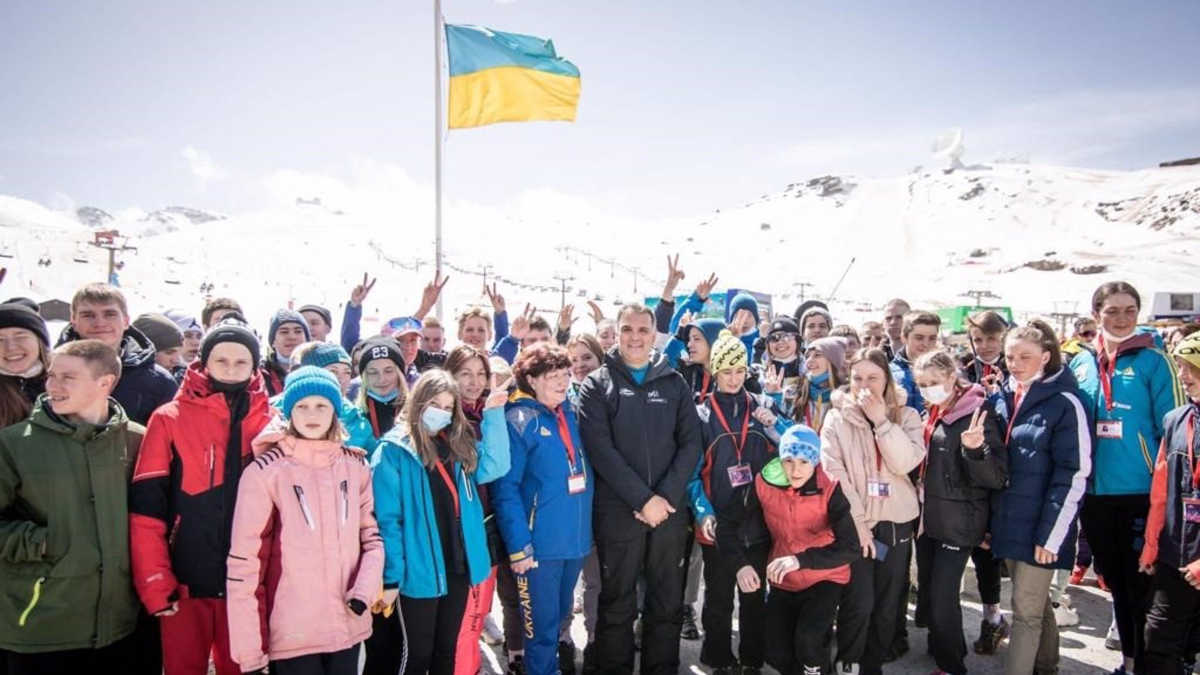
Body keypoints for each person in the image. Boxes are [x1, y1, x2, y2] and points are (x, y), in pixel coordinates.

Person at [130, 318, 275, 675]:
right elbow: (147, 510)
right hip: (185, 583)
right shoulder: (169, 418)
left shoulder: (272, 422)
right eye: (220, 360)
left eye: (240, 362)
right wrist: (154, 580)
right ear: (203, 361)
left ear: (254, 366)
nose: (230, 369)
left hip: (249, 584)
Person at [0, 340, 148, 673]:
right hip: (40, 626)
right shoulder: (13, 444)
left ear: (105, 382)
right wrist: (38, 541)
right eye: (52, 375)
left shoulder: (139, 439)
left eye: (68, 377)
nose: (53, 385)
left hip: (121, 625)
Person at [226, 367, 384, 675]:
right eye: (302, 406)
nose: (312, 414)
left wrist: (363, 592)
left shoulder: (356, 466)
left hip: (347, 623)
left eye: (322, 406)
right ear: (289, 411)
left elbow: (372, 539)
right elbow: (244, 562)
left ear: (335, 412)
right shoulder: (265, 472)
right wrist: (249, 651)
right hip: (293, 632)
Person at [578, 304, 704, 675]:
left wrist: (662, 498)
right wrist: (642, 499)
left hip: (668, 511)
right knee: (617, 603)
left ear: (654, 334)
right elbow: (601, 451)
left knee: (666, 603)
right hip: (619, 513)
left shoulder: (674, 382)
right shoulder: (597, 384)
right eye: (627, 329)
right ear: (616, 333)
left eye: (643, 330)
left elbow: (691, 444)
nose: (635, 337)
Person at [1071, 282, 1183, 675]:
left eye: (1129, 310)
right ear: (1096, 312)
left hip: (1142, 492)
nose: (1121, 318)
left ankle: (1155, 665)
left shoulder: (1154, 360)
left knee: (1144, 590)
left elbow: (1176, 429)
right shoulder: (1081, 362)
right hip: (1096, 494)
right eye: (1112, 310)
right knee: (1116, 583)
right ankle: (1130, 662)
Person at [372, 369, 511, 675]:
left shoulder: (458, 446)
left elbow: (497, 465)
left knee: (446, 652)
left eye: (449, 407)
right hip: (417, 572)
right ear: (418, 401)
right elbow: (387, 521)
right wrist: (391, 576)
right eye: (435, 403)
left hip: (457, 565)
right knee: (416, 656)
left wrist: (495, 413)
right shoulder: (393, 451)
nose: (442, 412)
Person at [990, 320, 1091, 675]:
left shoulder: (1065, 403)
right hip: (1010, 523)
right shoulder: (1004, 397)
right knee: (1034, 604)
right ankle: (1047, 666)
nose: (1015, 363)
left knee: (1026, 612)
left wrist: (1052, 535)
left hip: (1041, 528)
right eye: (1010, 356)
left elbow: (1074, 473)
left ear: (1046, 357)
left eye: (1025, 356)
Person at [719, 424, 861, 675]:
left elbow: (851, 547)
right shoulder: (764, 482)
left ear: (815, 462)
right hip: (785, 580)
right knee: (774, 651)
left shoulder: (829, 488)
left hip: (826, 577)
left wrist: (800, 560)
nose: (795, 470)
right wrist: (740, 565)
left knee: (808, 641)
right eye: (789, 460)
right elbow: (727, 525)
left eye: (805, 462)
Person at [820, 348, 925, 675]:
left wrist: (881, 421)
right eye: (857, 378)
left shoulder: (907, 416)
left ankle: (872, 666)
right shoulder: (836, 417)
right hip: (856, 525)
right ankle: (848, 666)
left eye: (873, 378)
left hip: (895, 524)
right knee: (857, 603)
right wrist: (858, 524)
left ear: (887, 380)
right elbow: (833, 473)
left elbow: (905, 462)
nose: (864, 385)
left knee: (886, 606)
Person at [493, 343, 593, 675]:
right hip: (539, 549)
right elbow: (505, 489)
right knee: (540, 634)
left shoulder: (568, 411)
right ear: (532, 379)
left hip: (574, 542)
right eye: (553, 376)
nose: (563, 382)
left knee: (561, 621)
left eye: (566, 374)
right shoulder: (518, 419)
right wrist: (519, 547)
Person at [688, 331, 783, 675]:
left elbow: (794, 450)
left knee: (755, 594)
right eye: (727, 371)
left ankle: (751, 660)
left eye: (740, 370)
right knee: (718, 596)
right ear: (714, 370)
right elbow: (691, 473)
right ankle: (718, 658)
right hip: (719, 521)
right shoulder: (700, 415)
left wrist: (777, 424)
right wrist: (703, 512)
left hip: (758, 519)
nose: (733, 378)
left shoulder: (762, 407)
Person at [912, 350, 1008, 675]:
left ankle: (952, 666)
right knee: (935, 593)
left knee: (941, 598)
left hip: (959, 523)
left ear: (952, 378)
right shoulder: (937, 411)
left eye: (935, 382)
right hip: (930, 519)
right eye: (922, 384)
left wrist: (974, 450)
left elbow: (996, 476)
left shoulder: (977, 413)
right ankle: (944, 649)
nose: (928, 389)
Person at [1139, 332, 1200, 675]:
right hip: (1175, 553)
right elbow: (1161, 489)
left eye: (1192, 366)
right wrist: (1151, 546)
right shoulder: (1176, 419)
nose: (1183, 375)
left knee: (1189, 642)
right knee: (1159, 640)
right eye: (1180, 366)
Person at [61, 283, 178, 424]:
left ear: (126, 321)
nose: (99, 323)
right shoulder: (50, 374)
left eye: (109, 314)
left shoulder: (158, 381)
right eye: (88, 315)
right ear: (73, 321)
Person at [769, 337, 846, 434]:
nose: (810, 360)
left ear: (834, 362)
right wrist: (774, 396)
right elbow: (776, 433)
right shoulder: (792, 392)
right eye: (808, 356)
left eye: (817, 355)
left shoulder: (845, 398)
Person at [356, 336, 409, 455]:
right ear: (364, 377)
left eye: (388, 371)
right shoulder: (355, 416)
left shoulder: (415, 412)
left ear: (399, 373)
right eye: (373, 372)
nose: (381, 379)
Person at [0, 301, 50, 426]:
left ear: (40, 342)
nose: (10, 347)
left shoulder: (67, 380)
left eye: (21, 336)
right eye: (0, 339)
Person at [890, 311, 941, 412]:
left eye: (932, 338)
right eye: (919, 338)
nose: (926, 344)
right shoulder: (887, 372)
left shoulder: (946, 372)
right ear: (904, 338)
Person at [260, 309, 311, 397]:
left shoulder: (321, 370)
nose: (292, 337)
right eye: (284, 332)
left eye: (298, 331)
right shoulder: (261, 374)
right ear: (273, 342)